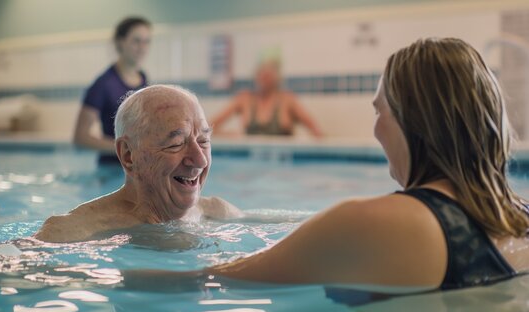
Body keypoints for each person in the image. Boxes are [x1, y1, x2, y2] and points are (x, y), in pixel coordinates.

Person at [128, 38, 529, 290]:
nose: (375, 131)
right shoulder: (520, 219)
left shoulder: (374, 222)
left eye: (379, 112)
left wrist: (85, 278)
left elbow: (209, 281)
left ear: (412, 120)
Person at [35, 85, 242, 243]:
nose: (200, 160)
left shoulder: (218, 213)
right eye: (177, 144)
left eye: (204, 141)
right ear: (128, 155)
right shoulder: (73, 231)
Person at [74, 17, 151, 165]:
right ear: (120, 42)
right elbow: (80, 137)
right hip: (111, 168)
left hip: (137, 166)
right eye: (136, 41)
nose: (142, 47)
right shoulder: (103, 84)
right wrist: (127, 148)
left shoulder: (143, 79)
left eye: (146, 41)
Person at [210, 59, 323, 137]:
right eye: (261, 74)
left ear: (277, 79)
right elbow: (209, 127)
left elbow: (316, 131)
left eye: (268, 75)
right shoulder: (244, 99)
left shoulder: (288, 100)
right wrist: (230, 135)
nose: (264, 79)